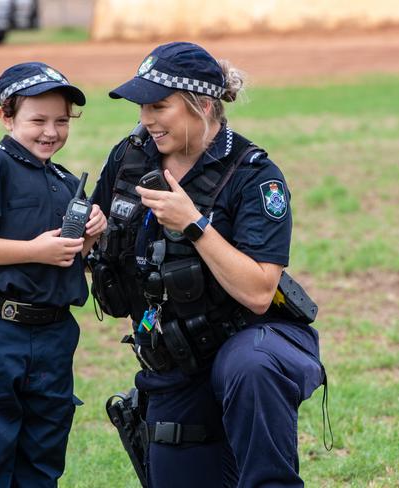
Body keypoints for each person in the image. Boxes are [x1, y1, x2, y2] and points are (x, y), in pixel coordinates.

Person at [90, 42, 327, 487]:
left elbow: (259, 292)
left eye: (160, 106)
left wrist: (193, 224)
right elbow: (102, 237)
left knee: (249, 366)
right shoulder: (130, 157)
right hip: (177, 357)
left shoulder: (255, 176)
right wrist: (87, 236)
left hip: (250, 339)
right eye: (143, 107)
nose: (146, 119)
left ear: (202, 105)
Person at [0, 61, 107, 487]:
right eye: (38, 120)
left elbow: (70, 258)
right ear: (6, 116)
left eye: (61, 121)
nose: (50, 132)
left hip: (54, 333)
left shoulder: (69, 181)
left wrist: (90, 236)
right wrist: (36, 250)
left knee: (43, 457)